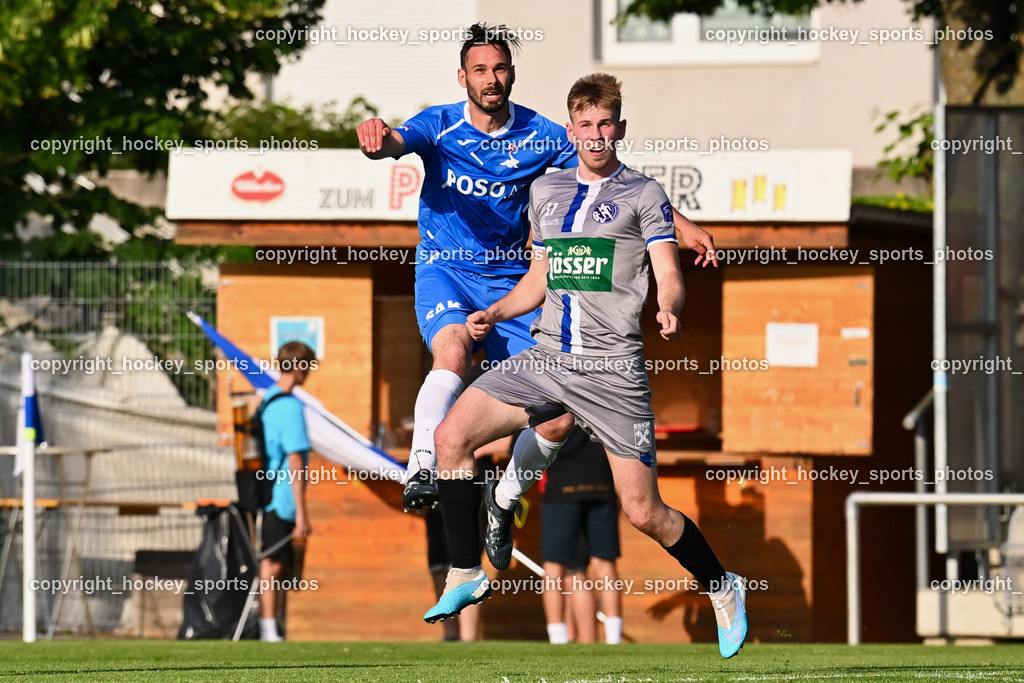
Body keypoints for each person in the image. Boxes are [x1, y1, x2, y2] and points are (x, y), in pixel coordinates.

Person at [425, 73, 748, 658]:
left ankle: (723, 587)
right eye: (586, 125)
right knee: (450, 437)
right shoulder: (545, 193)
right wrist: (495, 312)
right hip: (547, 357)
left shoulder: (645, 195)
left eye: (606, 125)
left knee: (644, 512)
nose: (596, 136)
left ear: (619, 128)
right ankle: (464, 572)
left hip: (612, 370)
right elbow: (539, 278)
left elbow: (667, 271)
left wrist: (669, 307)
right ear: (570, 130)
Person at [356, 24, 720, 529]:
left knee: (559, 412)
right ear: (462, 77)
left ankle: (504, 499)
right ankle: (422, 464)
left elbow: (613, 175)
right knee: (454, 351)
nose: (491, 78)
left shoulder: (544, 134)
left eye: (500, 68)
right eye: (480, 70)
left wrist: (679, 224)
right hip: (447, 268)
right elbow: (395, 142)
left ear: (512, 74)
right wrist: (378, 139)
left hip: (513, 280)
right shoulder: (438, 124)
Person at [537, 427, 623, 645]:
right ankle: (614, 641)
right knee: (604, 565)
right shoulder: (604, 396)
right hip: (602, 484)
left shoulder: (550, 397)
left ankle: (558, 641)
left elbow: (531, 439)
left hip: (562, 487)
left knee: (554, 569)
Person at [257, 341, 316, 642]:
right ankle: (269, 629)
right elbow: (295, 460)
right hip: (283, 498)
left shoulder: (267, 399)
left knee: (275, 562)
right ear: (299, 366)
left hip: (266, 493)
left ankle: (272, 627)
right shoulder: (291, 406)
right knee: (274, 563)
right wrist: (302, 514)